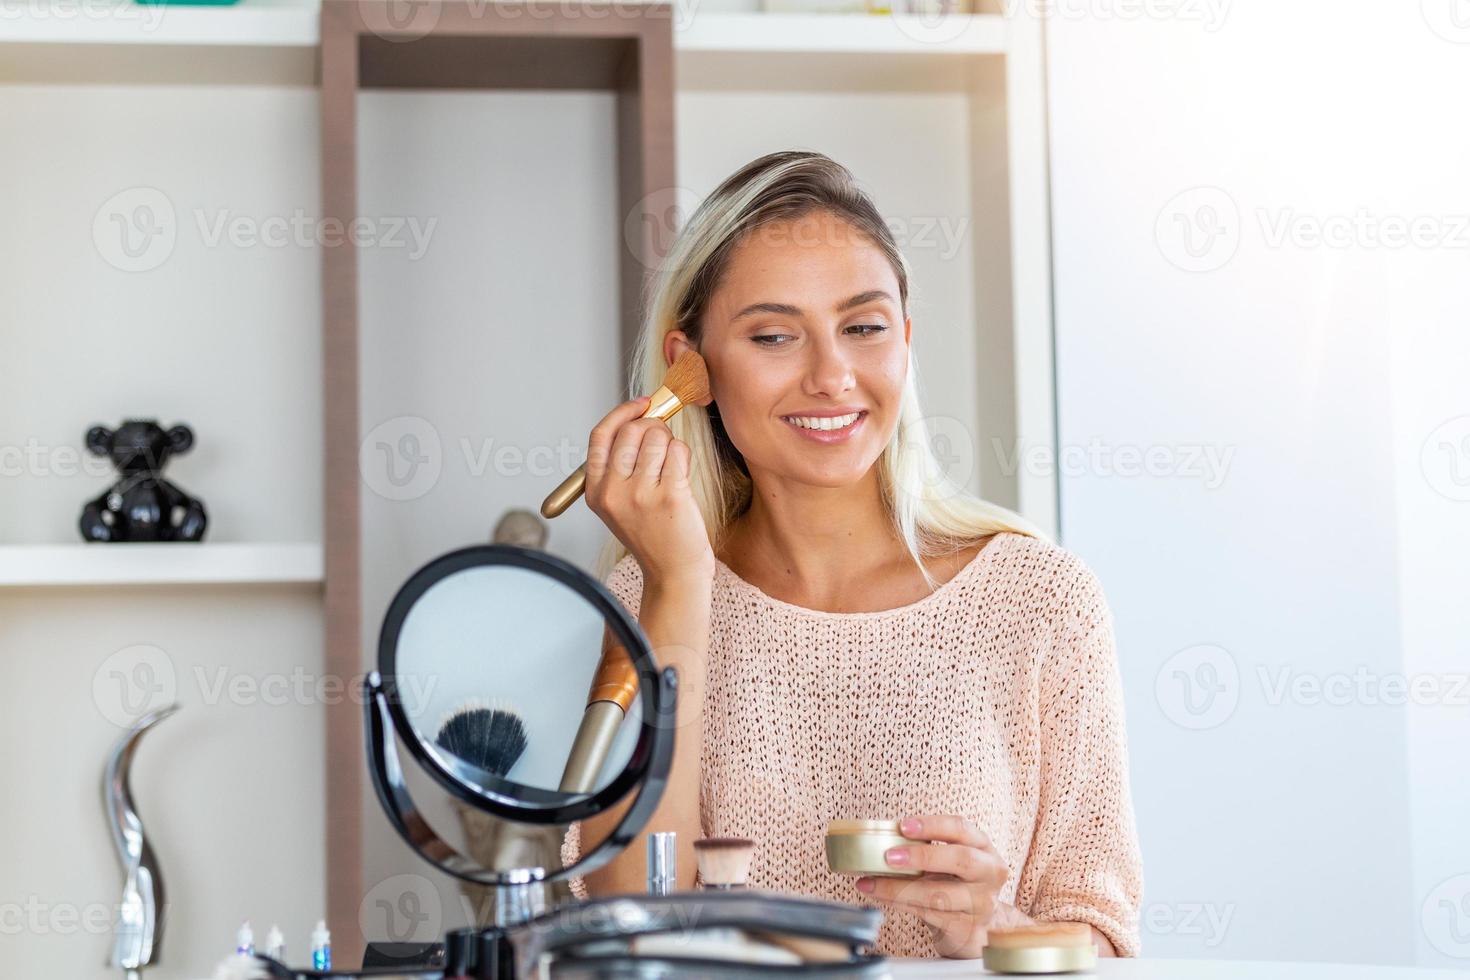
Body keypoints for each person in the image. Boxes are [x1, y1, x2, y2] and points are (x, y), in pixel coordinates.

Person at [564, 150, 1143, 958]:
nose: (833, 376)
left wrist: (998, 930)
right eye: (774, 335)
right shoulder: (651, 593)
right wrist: (681, 582)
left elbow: (1104, 941)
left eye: (864, 328)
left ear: (904, 340)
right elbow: (627, 918)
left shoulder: (1040, 598)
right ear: (689, 367)